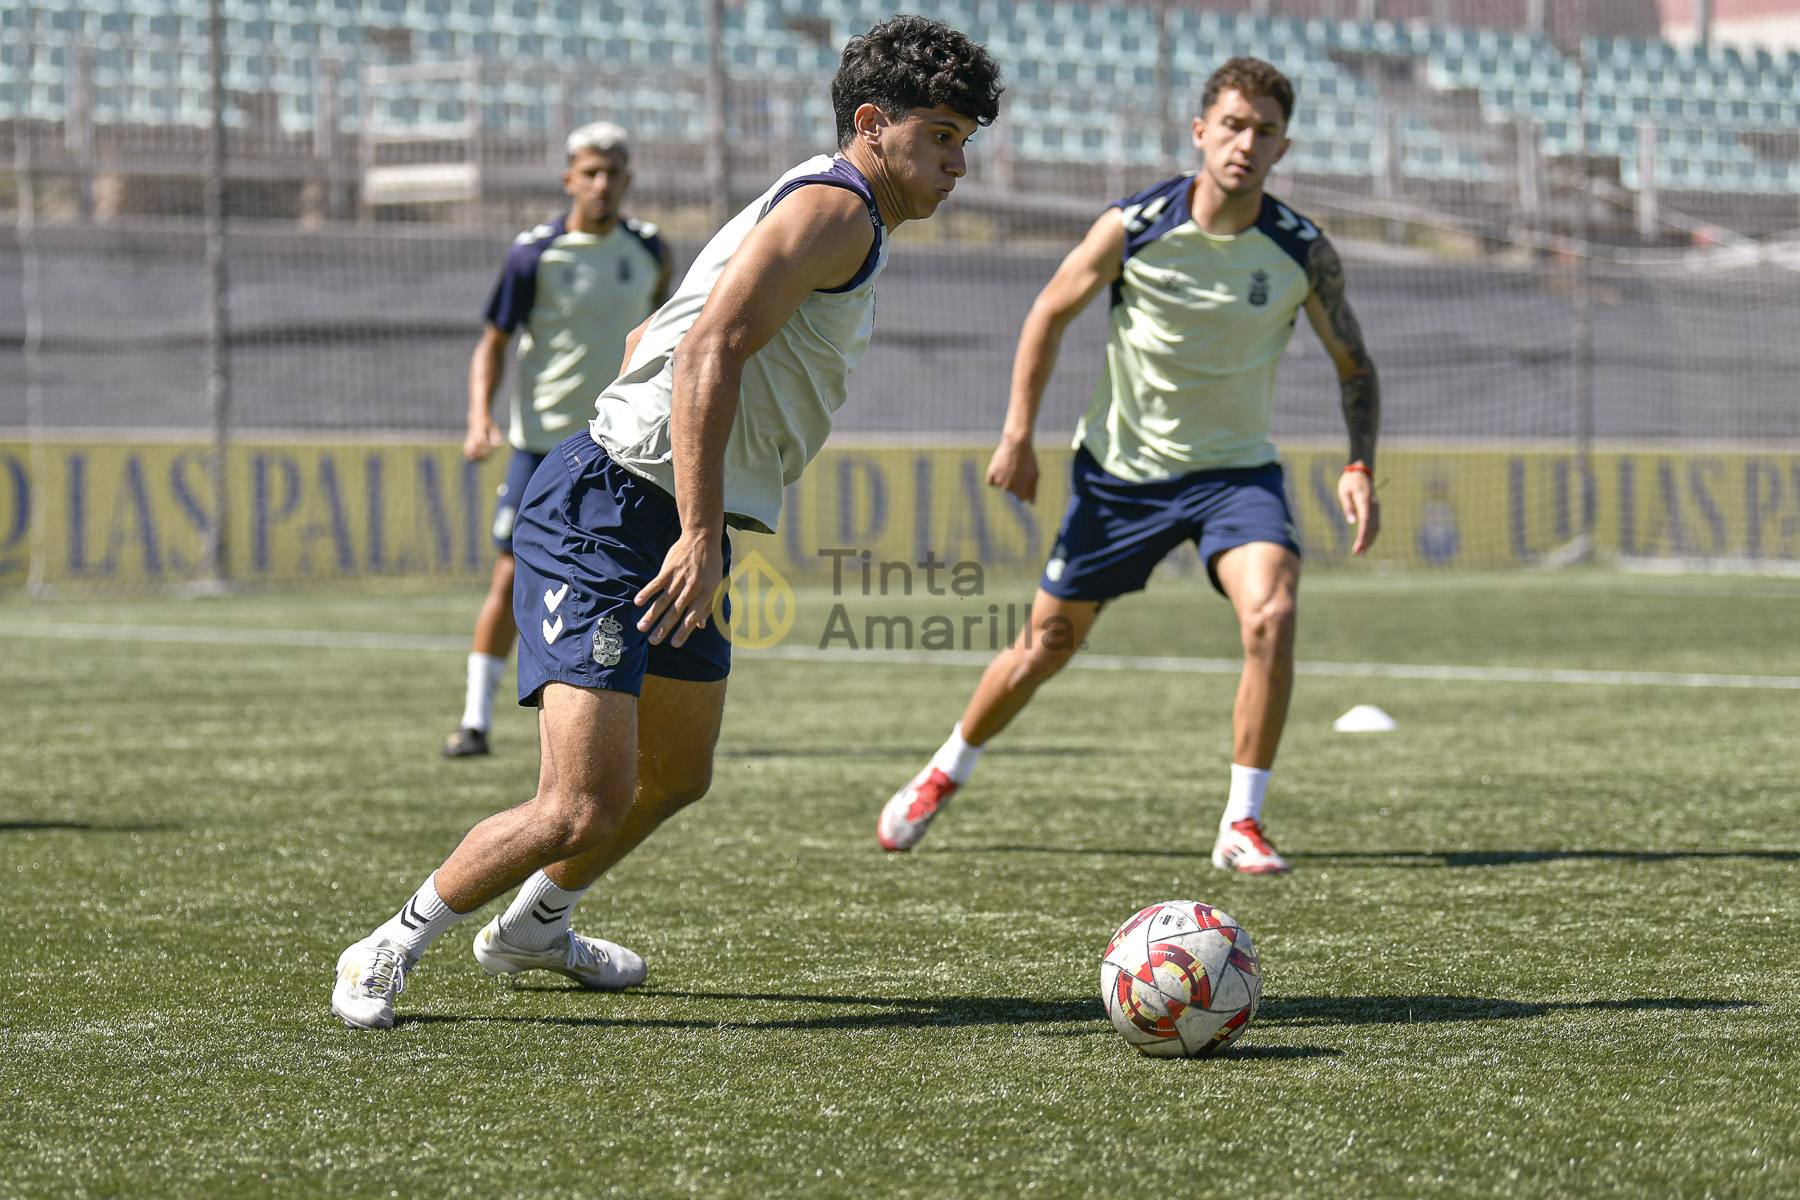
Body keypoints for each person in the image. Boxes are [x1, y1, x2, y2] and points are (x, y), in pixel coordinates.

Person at [333, 16, 1004, 1028]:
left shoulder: (825, 200)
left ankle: (536, 926)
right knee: (579, 803)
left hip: (667, 510)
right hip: (612, 511)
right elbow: (706, 351)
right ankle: (390, 941)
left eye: (965, 141)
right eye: (942, 136)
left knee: (677, 775)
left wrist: (692, 511)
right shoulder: (840, 210)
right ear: (873, 123)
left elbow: (660, 330)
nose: (958, 164)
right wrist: (694, 526)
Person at [876, 56, 1381, 875]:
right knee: (1044, 647)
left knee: (1273, 614)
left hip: (1236, 478)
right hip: (1120, 478)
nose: (1246, 143)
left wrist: (1359, 465)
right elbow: (1049, 312)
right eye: (1233, 125)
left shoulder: (1301, 251)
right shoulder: (1136, 225)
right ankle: (946, 768)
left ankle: (1242, 822)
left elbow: (1355, 365)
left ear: (1283, 148)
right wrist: (1017, 434)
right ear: (1201, 132)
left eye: (1265, 131)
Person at [445, 121, 674, 758]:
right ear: (569, 178)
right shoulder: (534, 254)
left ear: (628, 180)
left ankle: (639, 721)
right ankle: (474, 720)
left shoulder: (650, 251)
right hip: (542, 447)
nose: (602, 184)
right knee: (509, 575)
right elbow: (493, 343)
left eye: (613, 173)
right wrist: (479, 417)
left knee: (642, 579)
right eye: (590, 172)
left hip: (621, 446)